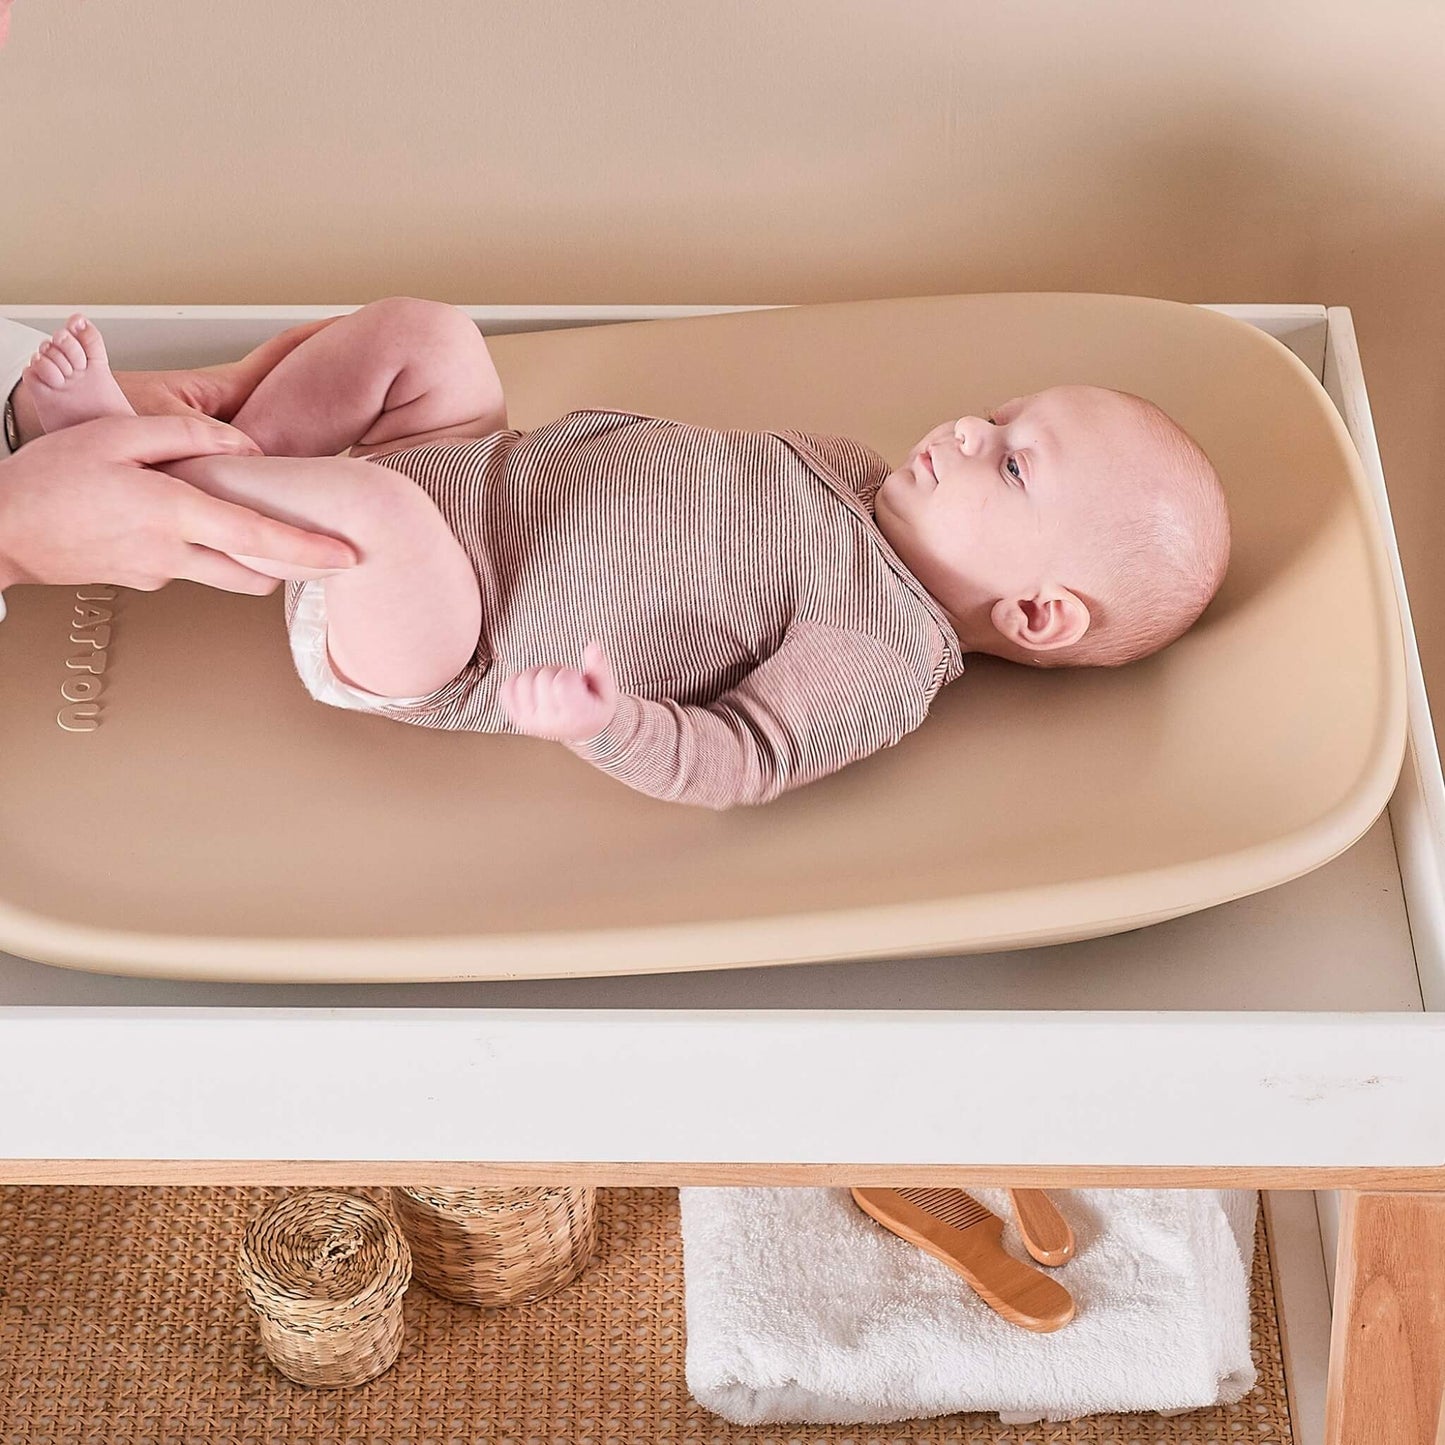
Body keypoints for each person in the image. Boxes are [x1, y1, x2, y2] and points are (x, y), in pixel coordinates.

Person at [21, 299, 1231, 809]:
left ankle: (132, 465)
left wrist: (604, 722)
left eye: (1012, 462)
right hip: (474, 468)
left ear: (1034, 615)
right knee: (428, 336)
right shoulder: (850, 475)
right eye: (1005, 410)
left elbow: (745, 758)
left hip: (445, 622)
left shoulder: (884, 646)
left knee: (372, 520)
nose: (972, 425)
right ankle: (225, 438)